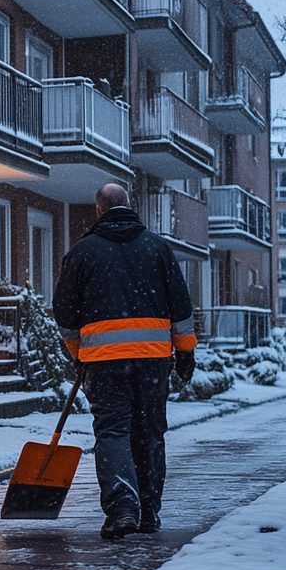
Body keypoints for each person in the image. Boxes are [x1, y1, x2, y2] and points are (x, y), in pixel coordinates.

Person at [52, 183, 197, 540]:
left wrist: (79, 355)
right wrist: (185, 351)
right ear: (130, 207)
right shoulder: (157, 248)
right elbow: (181, 306)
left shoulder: (82, 253)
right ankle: (149, 512)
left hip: (105, 364)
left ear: (99, 211)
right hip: (152, 361)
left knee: (113, 433)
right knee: (149, 433)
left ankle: (122, 511)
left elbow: (65, 316)